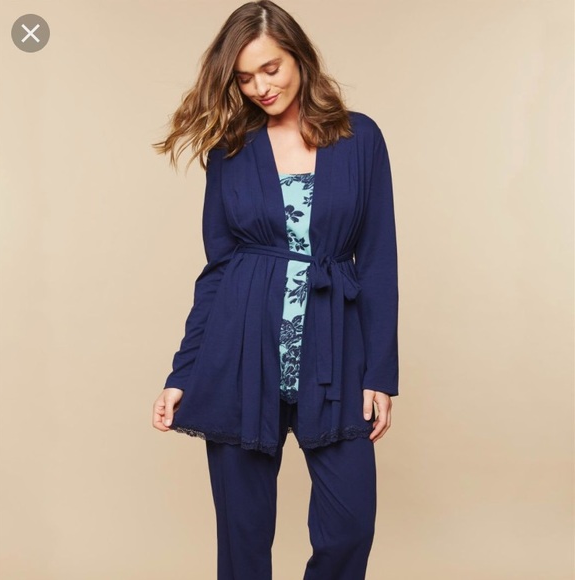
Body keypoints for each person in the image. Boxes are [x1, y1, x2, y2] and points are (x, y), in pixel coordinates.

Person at [151, 1, 399, 578]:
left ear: (300, 58)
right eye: (244, 78)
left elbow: (378, 261)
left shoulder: (359, 137)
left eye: (270, 68)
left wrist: (379, 373)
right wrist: (182, 373)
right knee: (243, 542)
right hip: (240, 353)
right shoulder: (231, 149)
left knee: (349, 528)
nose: (260, 87)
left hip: (334, 354)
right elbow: (218, 269)